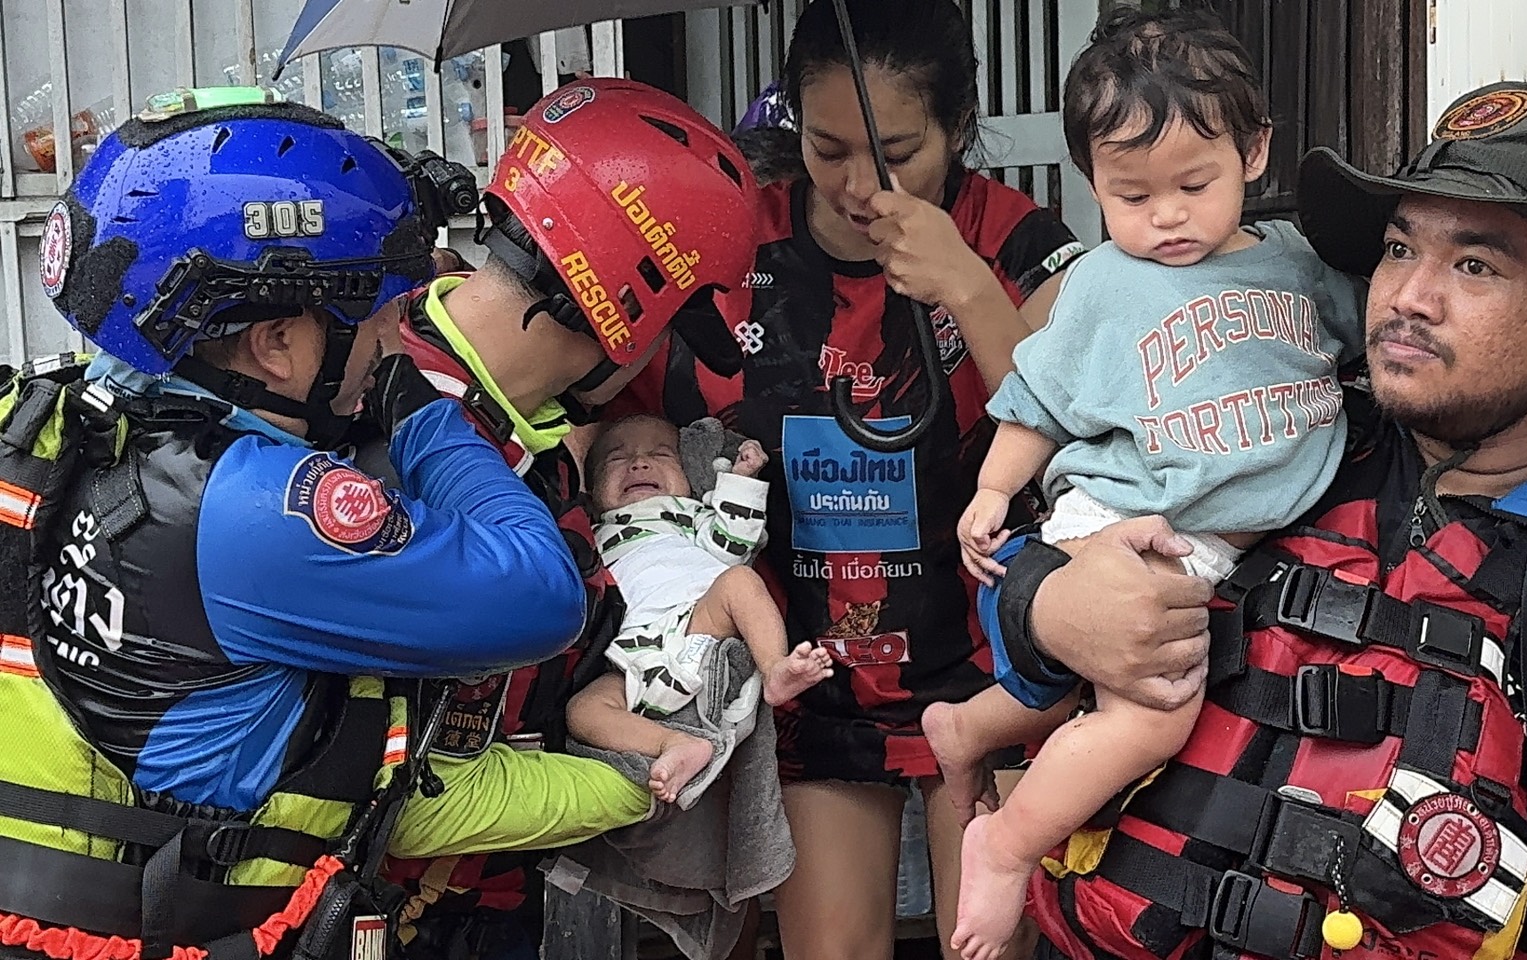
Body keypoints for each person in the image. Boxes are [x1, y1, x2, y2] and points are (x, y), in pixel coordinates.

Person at [985, 80, 1527, 960]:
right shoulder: (1284, 449)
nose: (1409, 297)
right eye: (1400, 249)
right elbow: (1019, 582)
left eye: (1475, 266)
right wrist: (1045, 608)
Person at [0, 92, 596, 959]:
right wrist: (422, 411)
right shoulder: (254, 510)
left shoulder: (49, 423)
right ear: (276, 343)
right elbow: (542, 594)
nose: (399, 330)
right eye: (382, 309)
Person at [610, 2, 1086, 957]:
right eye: (827, 150)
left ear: (959, 124)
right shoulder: (737, 248)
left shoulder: (1016, 242)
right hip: (813, 671)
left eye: (899, 153)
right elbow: (621, 406)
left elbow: (1073, 424)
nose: (860, 186)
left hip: (994, 670)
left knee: (986, 945)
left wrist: (965, 284)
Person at [933, 11, 1364, 959]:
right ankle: (1006, 848)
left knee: (1095, 683)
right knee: (1154, 707)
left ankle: (964, 728)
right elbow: (1039, 398)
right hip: (1127, 519)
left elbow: (1375, 334)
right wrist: (994, 492)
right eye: (1130, 195)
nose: (1165, 216)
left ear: (1254, 152)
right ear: (1092, 183)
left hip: (1214, 544)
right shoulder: (1104, 283)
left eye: (1193, 185)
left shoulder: (1300, 265)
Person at [367, 77, 766, 957]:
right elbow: (406, 781)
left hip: (484, 898)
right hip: (380, 912)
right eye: (664, 328)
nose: (654, 355)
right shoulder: (402, 429)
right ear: (627, 308)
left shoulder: (524, 433)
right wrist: (636, 783)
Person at [565, 414, 833, 804]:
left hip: (701, 617)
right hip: (633, 655)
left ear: (690, 478)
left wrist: (741, 480)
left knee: (740, 581)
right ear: (591, 492)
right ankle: (674, 743)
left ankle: (775, 667)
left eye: (660, 454)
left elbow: (734, 544)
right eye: (617, 459)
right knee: (582, 711)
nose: (639, 464)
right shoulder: (590, 535)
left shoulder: (691, 516)